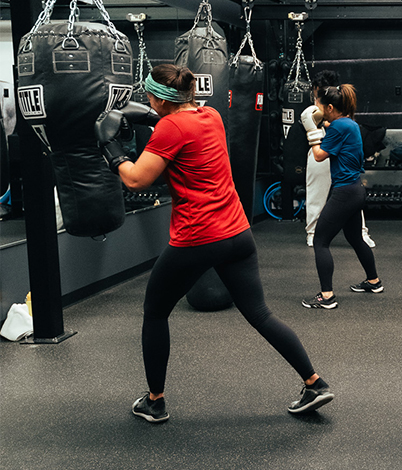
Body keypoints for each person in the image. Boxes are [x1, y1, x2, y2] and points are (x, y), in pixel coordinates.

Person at [95, 63, 333, 422]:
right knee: (260, 313)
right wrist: (151, 117)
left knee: (155, 312)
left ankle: (154, 401)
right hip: (237, 232)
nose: (146, 100)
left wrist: (110, 148)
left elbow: (135, 180)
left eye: (149, 96)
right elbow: (180, 132)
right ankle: (315, 383)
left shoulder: (170, 128)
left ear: (159, 99)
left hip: (197, 237)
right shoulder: (212, 116)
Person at [299, 82, 382, 309]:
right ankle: (373, 281)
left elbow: (318, 156)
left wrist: (311, 129)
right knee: (355, 238)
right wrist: (323, 123)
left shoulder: (337, 128)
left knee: (320, 240)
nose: (316, 109)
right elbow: (333, 127)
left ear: (330, 107)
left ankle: (326, 297)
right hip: (355, 189)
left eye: (319, 105)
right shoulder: (349, 124)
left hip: (344, 192)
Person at [303, 71, 375, 250]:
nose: (315, 96)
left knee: (349, 192)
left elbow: (340, 123)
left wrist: (317, 125)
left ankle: (362, 232)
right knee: (316, 191)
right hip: (320, 146)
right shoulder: (318, 104)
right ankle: (312, 231)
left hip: (337, 149)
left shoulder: (337, 102)